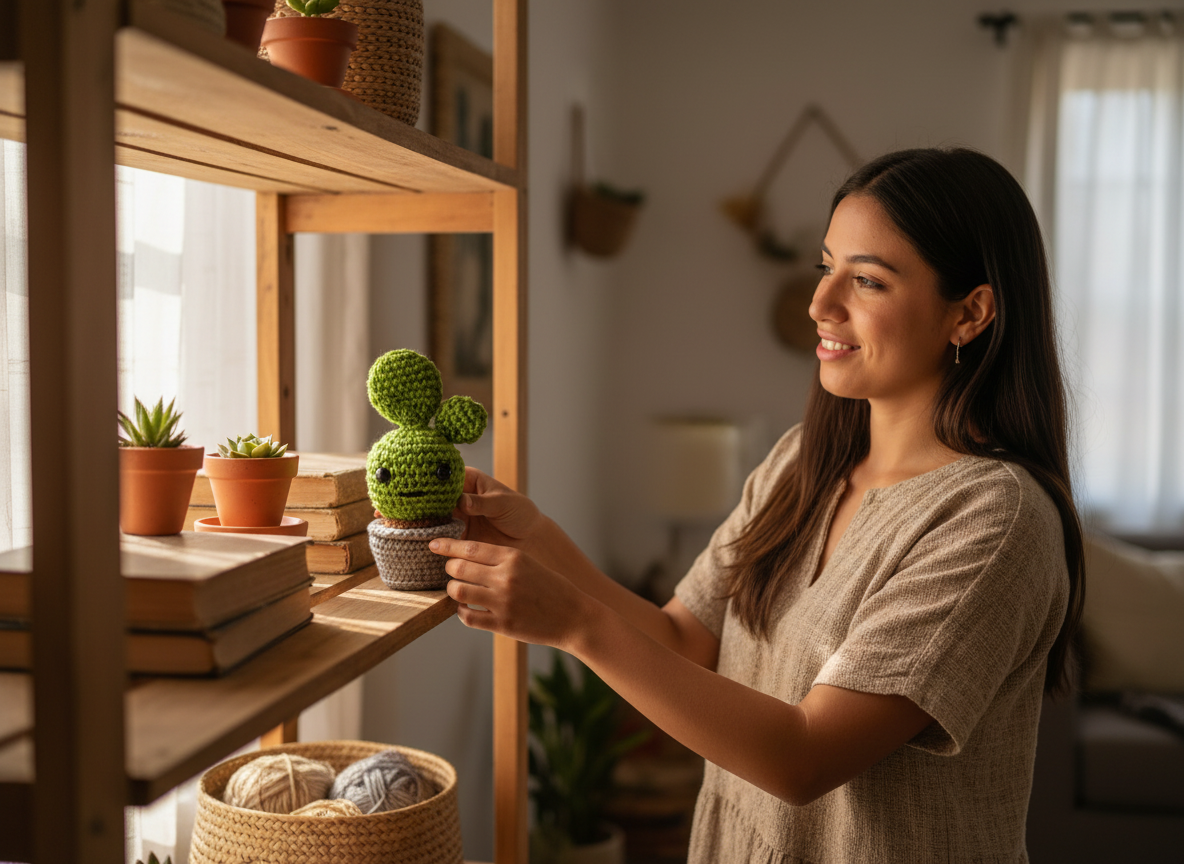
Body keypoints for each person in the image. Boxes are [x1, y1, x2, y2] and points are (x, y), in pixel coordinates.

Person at [428, 147, 1085, 863]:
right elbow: (684, 641)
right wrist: (539, 540)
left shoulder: (995, 522)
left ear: (971, 313)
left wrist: (576, 626)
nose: (820, 304)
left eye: (866, 280)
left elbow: (802, 759)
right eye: (825, 266)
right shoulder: (801, 461)